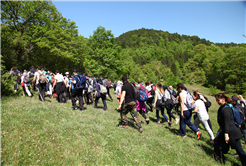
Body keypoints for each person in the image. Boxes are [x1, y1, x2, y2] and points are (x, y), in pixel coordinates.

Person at [213, 93, 246, 165]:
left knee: (240, 150)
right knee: (217, 142)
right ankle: (220, 159)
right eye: (216, 100)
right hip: (227, 130)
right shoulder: (224, 107)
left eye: (218, 100)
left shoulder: (226, 109)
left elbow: (227, 122)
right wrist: (220, 129)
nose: (217, 102)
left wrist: (226, 135)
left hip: (232, 132)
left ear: (223, 99)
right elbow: (223, 122)